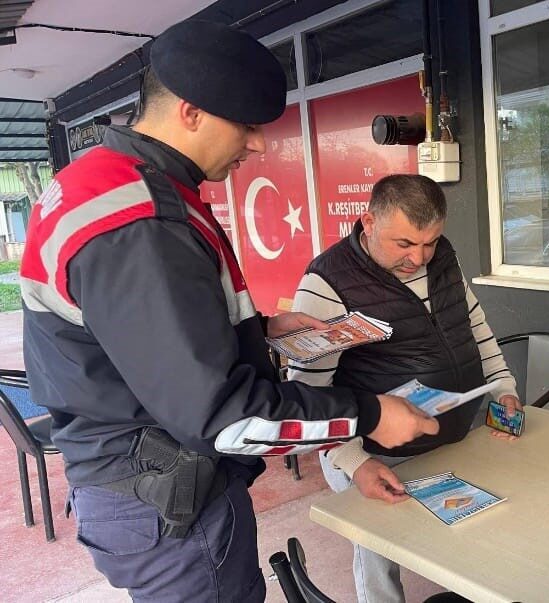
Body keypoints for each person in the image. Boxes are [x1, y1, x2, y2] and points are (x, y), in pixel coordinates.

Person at [20, 20, 437, 602]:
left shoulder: (102, 181)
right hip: (166, 500)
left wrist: (259, 329)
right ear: (190, 112)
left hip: (139, 482)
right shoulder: (143, 221)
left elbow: (135, 338)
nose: (259, 144)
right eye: (246, 125)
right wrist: (367, 416)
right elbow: (225, 417)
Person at [289, 174, 520, 603]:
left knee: (473, 531)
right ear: (368, 223)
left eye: (430, 242)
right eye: (404, 245)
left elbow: (477, 328)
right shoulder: (327, 282)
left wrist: (502, 387)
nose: (419, 257)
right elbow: (309, 394)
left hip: (451, 433)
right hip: (372, 451)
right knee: (379, 553)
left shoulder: (443, 258)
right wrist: (353, 462)